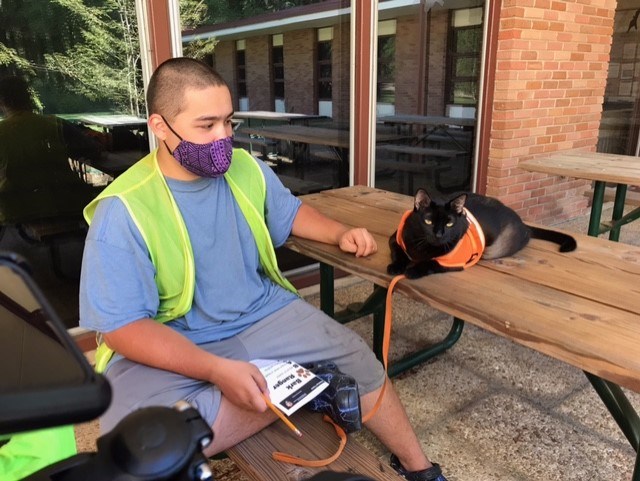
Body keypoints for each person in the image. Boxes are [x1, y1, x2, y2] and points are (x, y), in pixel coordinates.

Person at [79, 57, 448, 481]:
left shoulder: (245, 168)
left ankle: (421, 470)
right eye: (206, 125)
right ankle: (306, 385)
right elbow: (123, 328)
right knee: (137, 446)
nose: (223, 137)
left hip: (262, 314)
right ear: (160, 127)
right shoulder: (123, 209)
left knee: (360, 361)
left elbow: (289, 213)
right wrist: (215, 369)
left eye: (228, 122)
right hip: (174, 336)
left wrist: (339, 232)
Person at [0, 75, 102, 223]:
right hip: (62, 204)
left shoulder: (2, 131)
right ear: (28, 98)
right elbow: (92, 150)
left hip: (15, 210)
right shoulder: (55, 125)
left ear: (2, 102)